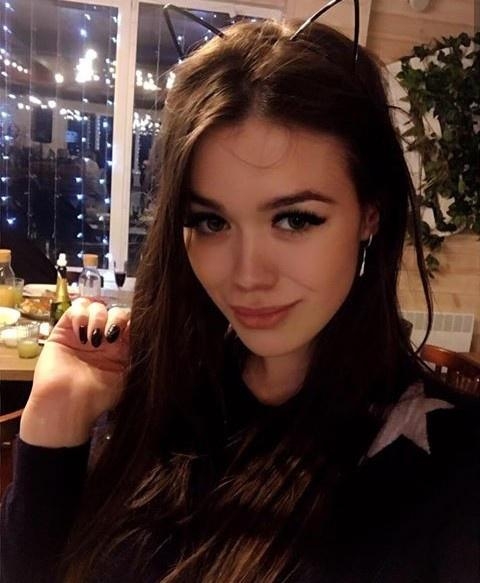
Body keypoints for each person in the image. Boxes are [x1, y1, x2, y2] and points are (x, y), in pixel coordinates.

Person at [1, 9, 479, 583]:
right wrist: (55, 417)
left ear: (368, 215)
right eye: (211, 222)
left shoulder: (452, 474)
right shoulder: (150, 398)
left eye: (295, 219)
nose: (247, 275)